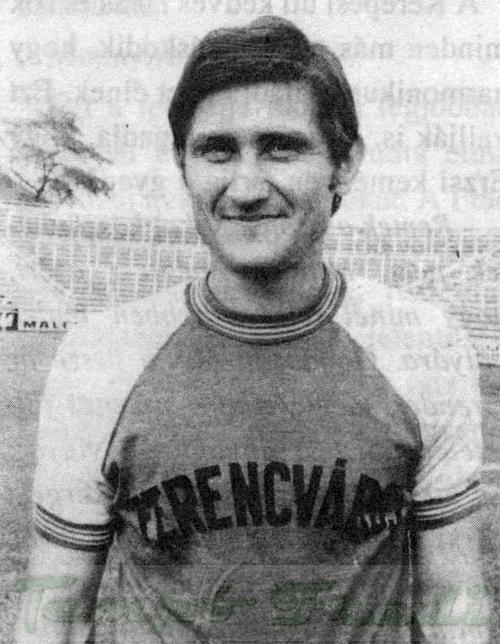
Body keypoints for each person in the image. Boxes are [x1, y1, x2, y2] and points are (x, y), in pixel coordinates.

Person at [16, 16, 489, 644]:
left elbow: (452, 604)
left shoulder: (423, 346)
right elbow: (56, 613)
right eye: (217, 150)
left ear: (345, 164)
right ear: (183, 165)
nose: (244, 187)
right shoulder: (102, 356)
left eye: (280, 148)